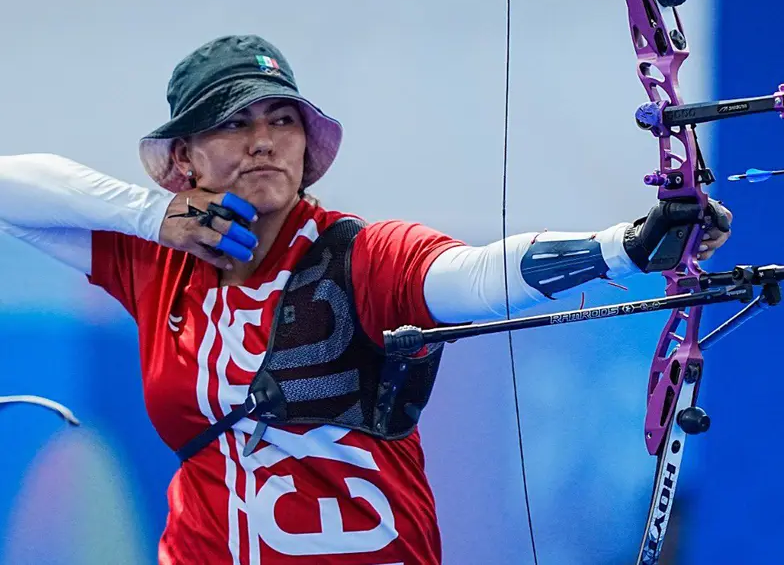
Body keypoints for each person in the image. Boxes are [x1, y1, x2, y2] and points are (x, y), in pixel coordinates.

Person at [0, 34, 731, 564]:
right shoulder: (157, 263)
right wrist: (151, 215)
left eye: (281, 120)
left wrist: (625, 246)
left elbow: (474, 275)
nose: (264, 140)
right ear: (184, 157)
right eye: (234, 121)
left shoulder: (360, 257)